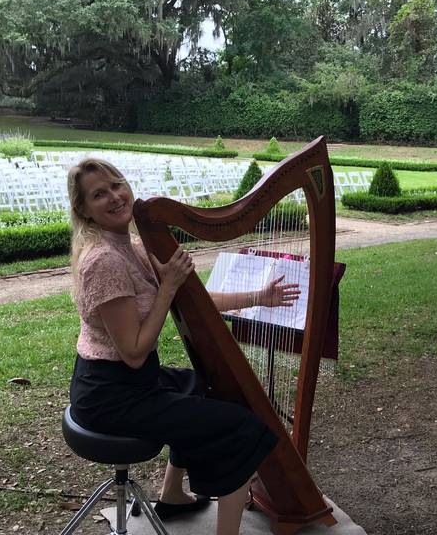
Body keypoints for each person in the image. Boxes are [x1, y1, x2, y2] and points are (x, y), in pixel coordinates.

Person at [66, 158, 301, 535]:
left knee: (200, 386)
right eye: (98, 194)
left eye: (116, 184)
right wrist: (168, 288)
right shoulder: (104, 261)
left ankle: (173, 494)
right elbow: (135, 350)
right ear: (84, 210)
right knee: (240, 428)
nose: (114, 196)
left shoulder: (131, 246)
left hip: (128, 382)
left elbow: (194, 299)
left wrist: (260, 295)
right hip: (111, 396)